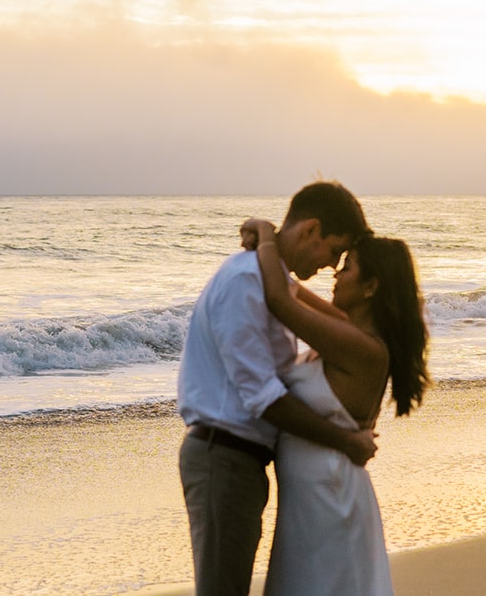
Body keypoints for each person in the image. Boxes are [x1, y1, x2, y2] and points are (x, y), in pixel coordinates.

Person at [177, 181, 378, 596]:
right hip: (223, 457)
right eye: (333, 251)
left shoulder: (272, 282)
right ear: (310, 230)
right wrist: (346, 441)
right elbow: (263, 396)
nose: (331, 266)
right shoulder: (246, 282)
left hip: (240, 461)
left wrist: (266, 236)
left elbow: (327, 323)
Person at [244, 218, 431, 596]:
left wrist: (266, 235)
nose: (335, 275)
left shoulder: (363, 348)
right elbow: (291, 289)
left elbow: (279, 300)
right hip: (316, 495)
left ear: (371, 287)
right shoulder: (346, 330)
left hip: (329, 498)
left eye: (346, 268)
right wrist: (269, 251)